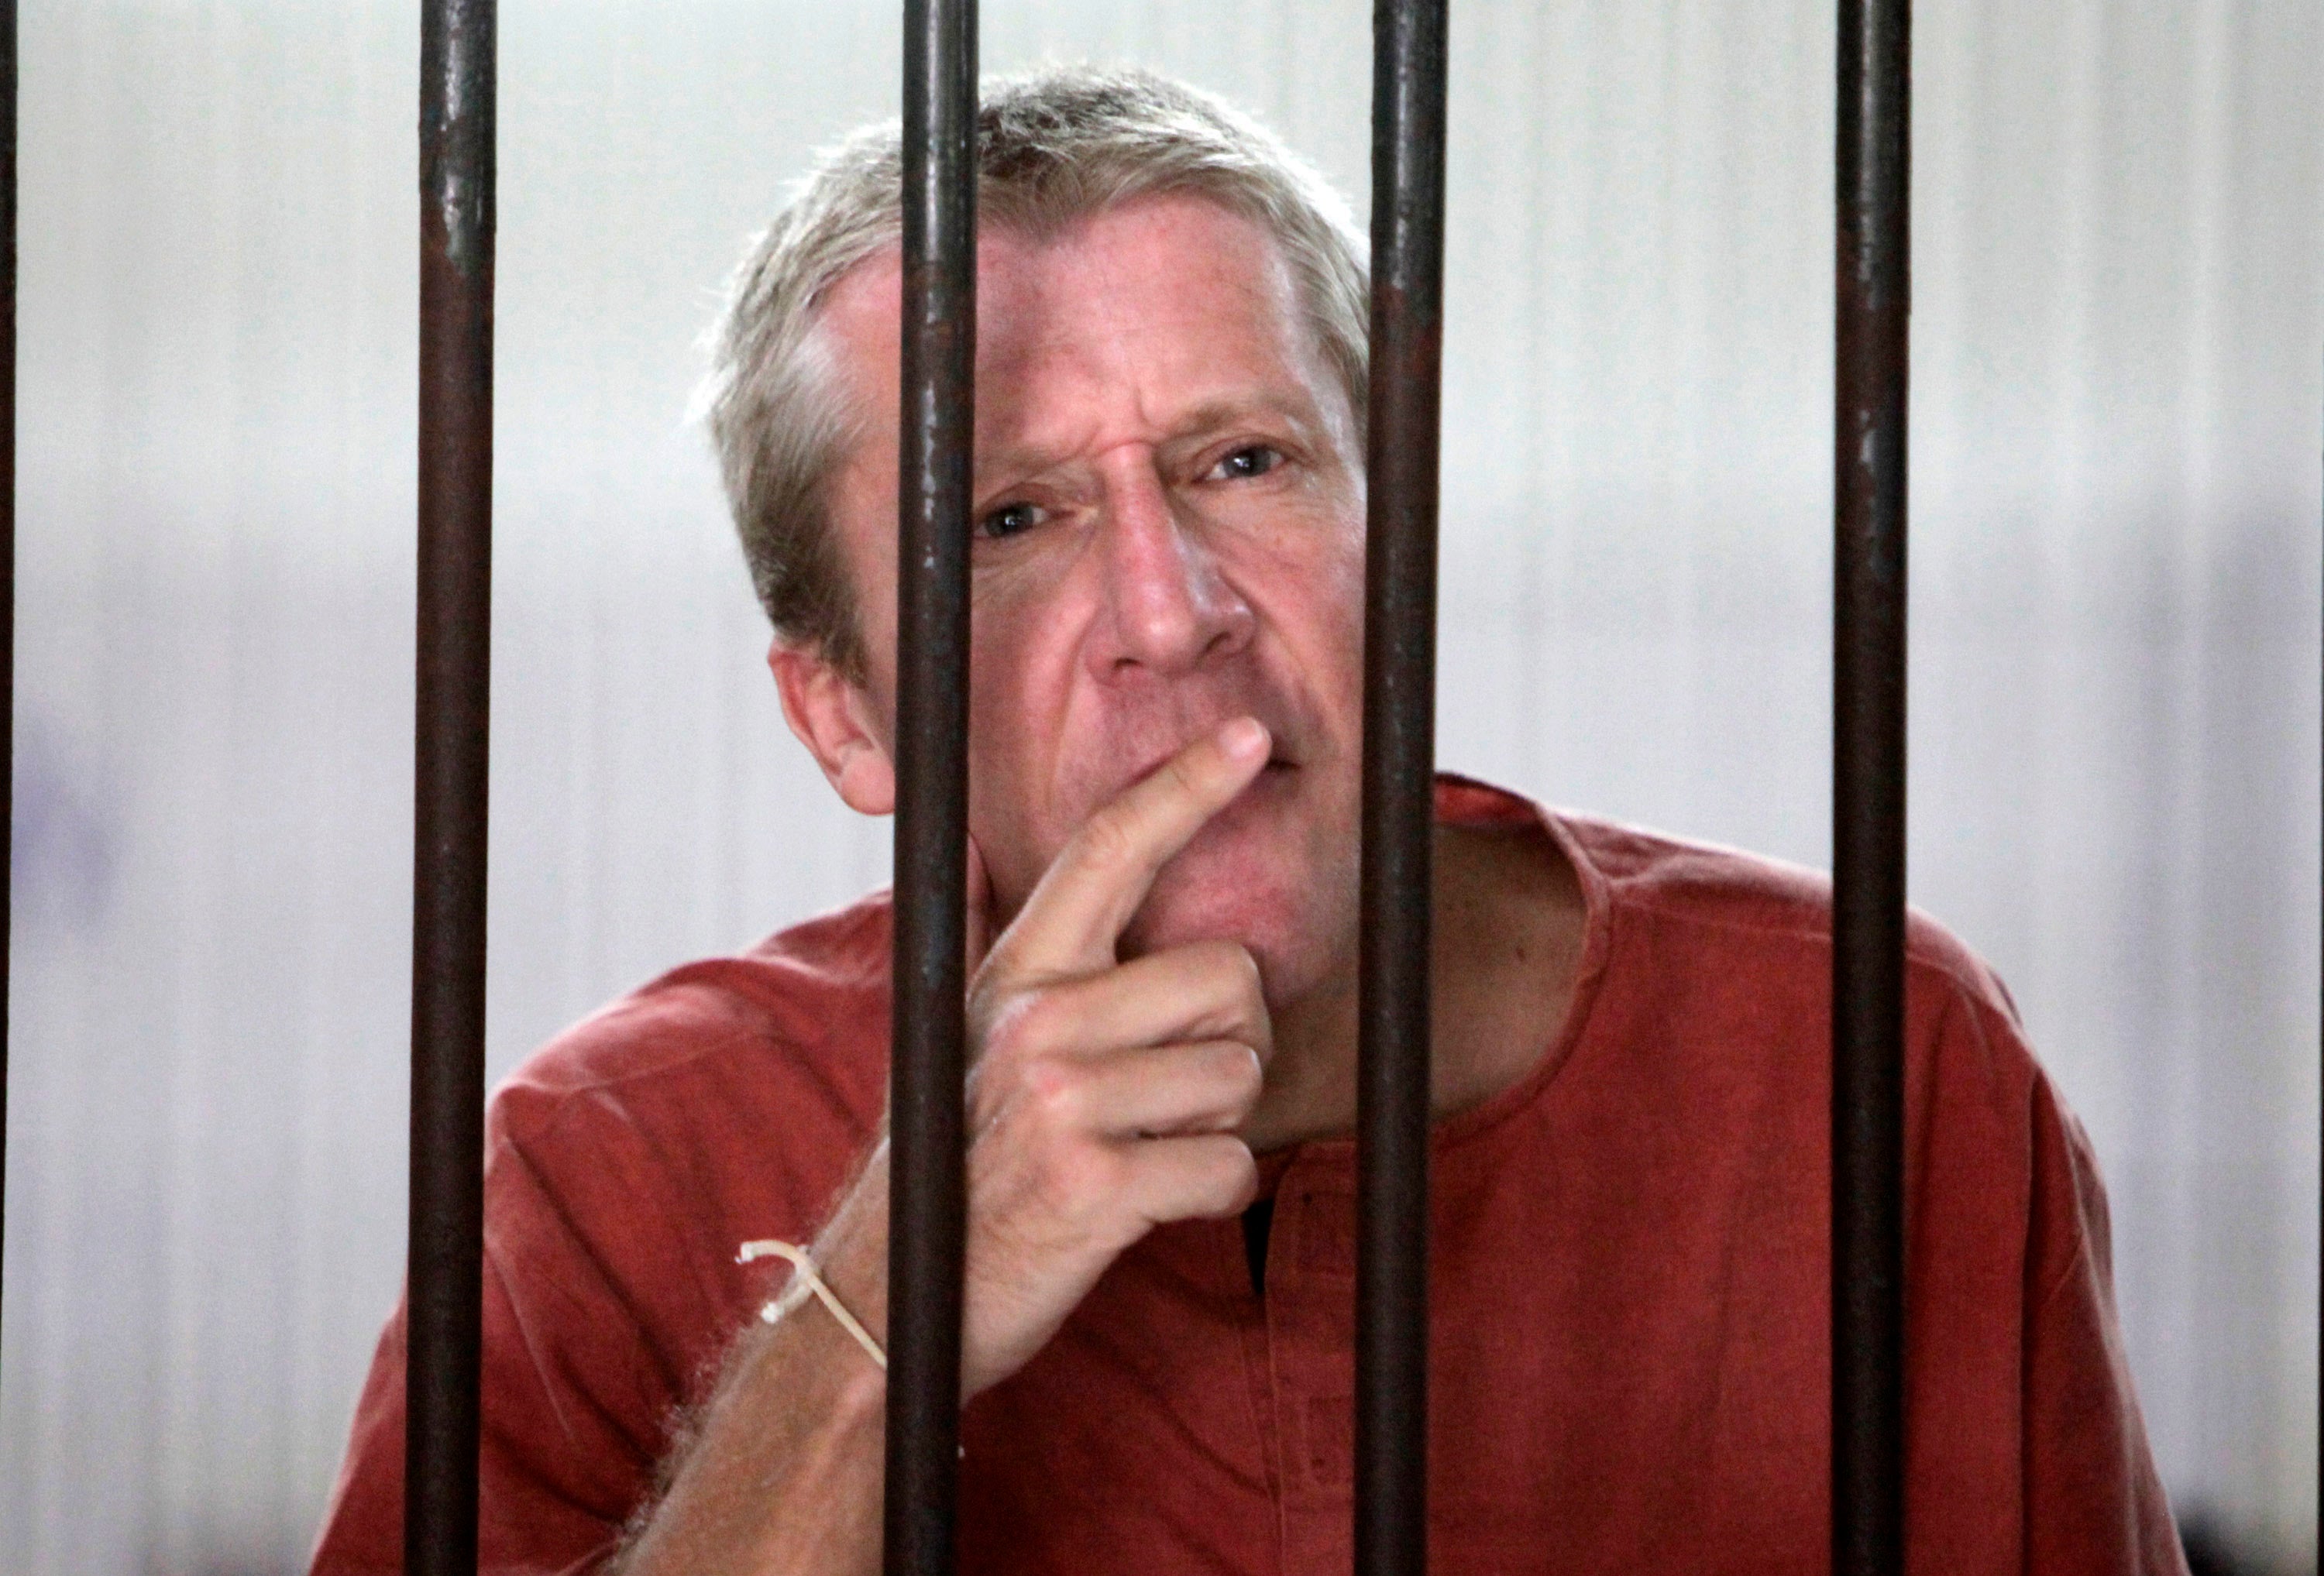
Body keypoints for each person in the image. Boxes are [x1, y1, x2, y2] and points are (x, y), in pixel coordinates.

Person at [311, 67, 2187, 1574]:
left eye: (1243, 460)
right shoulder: (610, 1166)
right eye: (1012, 517)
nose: (1173, 608)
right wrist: (875, 1313)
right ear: (845, 713)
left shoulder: (1869, 1059)